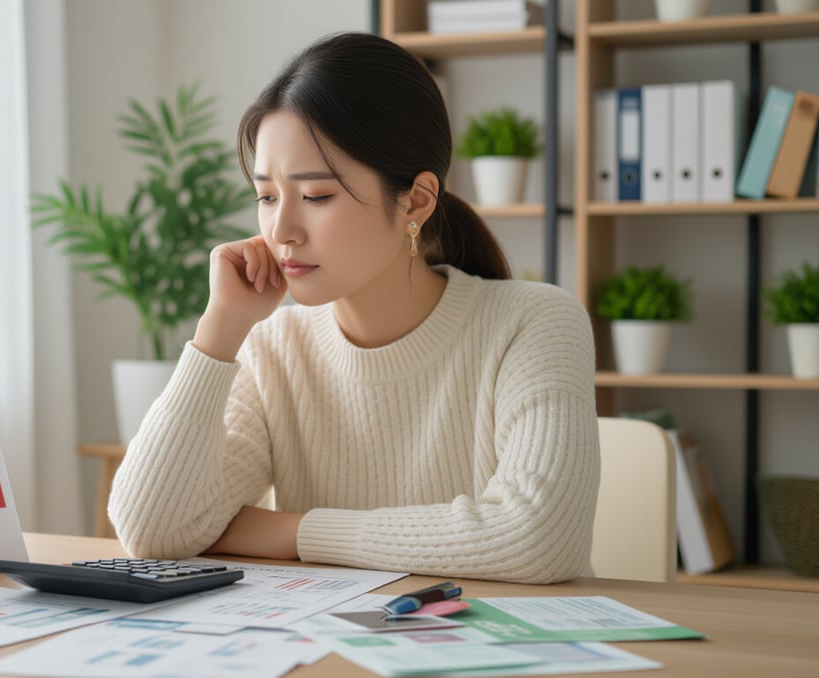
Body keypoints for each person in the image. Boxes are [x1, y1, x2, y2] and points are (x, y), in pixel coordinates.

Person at [108, 32, 599, 584]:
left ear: (416, 200)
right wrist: (219, 331)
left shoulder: (533, 322)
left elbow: (538, 539)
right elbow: (154, 530)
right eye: (267, 196)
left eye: (316, 196)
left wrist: (293, 533)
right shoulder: (273, 346)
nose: (282, 231)